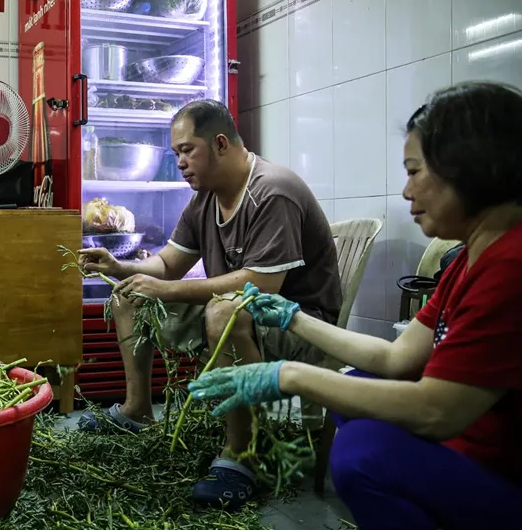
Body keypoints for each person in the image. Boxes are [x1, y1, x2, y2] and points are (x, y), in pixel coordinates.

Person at [187, 81, 522, 530]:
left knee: (363, 455)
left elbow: (435, 411)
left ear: (471, 166)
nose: (406, 190)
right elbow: (395, 358)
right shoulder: (471, 256)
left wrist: (290, 375)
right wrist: (293, 316)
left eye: (414, 172)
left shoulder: (510, 264)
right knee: (356, 393)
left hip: (502, 474)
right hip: (472, 450)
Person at [77, 99, 343, 509]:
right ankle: (137, 410)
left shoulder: (273, 191)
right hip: (245, 313)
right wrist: (120, 266)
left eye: (187, 151)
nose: (180, 163)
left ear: (220, 143)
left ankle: (242, 454)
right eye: (176, 154)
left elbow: (262, 284)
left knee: (226, 310)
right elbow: (168, 263)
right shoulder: (205, 198)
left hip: (301, 324)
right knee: (127, 293)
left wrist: (166, 290)